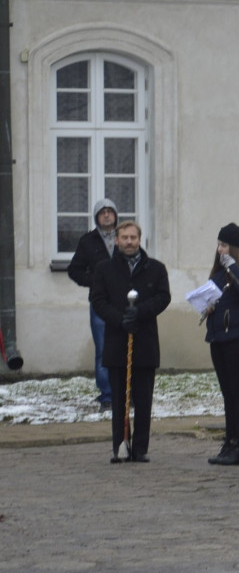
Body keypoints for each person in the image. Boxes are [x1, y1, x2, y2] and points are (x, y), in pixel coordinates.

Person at [90, 221, 171, 463]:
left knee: (143, 399)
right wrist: (120, 319)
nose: (128, 242)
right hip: (117, 340)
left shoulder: (155, 268)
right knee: (119, 400)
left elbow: (163, 297)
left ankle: (141, 448)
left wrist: (142, 312)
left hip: (144, 340)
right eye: (124, 237)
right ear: (116, 240)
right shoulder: (104, 269)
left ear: (140, 239)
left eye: (133, 238)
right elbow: (98, 299)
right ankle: (120, 446)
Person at [205, 223, 239, 467]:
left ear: (235, 248)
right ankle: (229, 441)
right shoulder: (218, 272)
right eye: (218, 245)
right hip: (218, 336)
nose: (220, 250)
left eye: (224, 245)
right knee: (227, 392)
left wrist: (233, 267)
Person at [68, 198, 120, 409]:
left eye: (110, 211)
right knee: (103, 349)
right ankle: (107, 395)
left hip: (123, 303)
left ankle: (127, 394)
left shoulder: (125, 237)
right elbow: (75, 270)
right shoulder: (88, 241)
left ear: (116, 215)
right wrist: (95, 282)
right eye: (102, 212)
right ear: (97, 217)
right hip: (99, 304)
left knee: (126, 347)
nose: (106, 215)